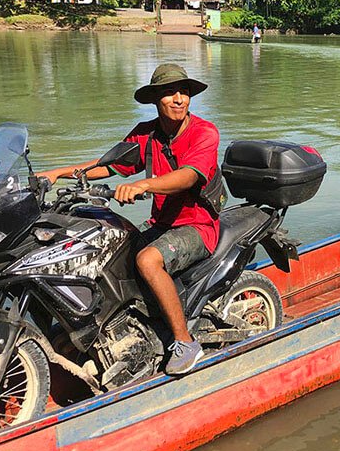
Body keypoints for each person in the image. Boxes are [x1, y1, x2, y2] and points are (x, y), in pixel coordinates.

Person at [38, 63, 219, 375]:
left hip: (197, 226)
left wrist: (144, 184)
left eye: (184, 92)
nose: (178, 99)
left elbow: (189, 176)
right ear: (155, 99)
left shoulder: (204, 133)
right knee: (106, 252)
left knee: (148, 261)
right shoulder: (145, 135)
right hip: (162, 223)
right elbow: (108, 165)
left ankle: (185, 342)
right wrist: (59, 173)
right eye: (168, 93)